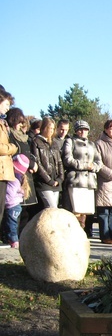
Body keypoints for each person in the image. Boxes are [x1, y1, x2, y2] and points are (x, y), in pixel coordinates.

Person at [63, 120, 102, 231]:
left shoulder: (92, 144)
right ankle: (74, 231)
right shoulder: (70, 142)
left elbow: (99, 162)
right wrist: (84, 165)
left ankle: (82, 231)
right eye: (80, 129)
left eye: (85, 129)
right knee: (76, 209)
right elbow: (67, 159)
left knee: (85, 211)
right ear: (76, 131)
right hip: (76, 180)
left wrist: (93, 167)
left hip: (89, 182)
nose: (83, 132)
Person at [5, 107, 39, 230]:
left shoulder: (24, 137)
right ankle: (11, 236)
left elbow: (29, 153)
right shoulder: (10, 136)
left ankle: (22, 235)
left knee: (26, 210)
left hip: (27, 176)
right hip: (16, 176)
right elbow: (15, 155)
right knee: (15, 208)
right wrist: (29, 164)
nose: (21, 125)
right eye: (18, 122)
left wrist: (33, 163)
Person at [30, 117, 64, 209]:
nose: (52, 131)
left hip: (56, 181)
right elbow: (38, 163)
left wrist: (60, 178)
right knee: (52, 207)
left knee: (53, 210)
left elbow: (59, 162)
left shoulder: (54, 143)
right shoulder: (36, 141)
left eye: (53, 128)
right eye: (50, 128)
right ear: (44, 128)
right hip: (44, 183)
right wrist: (49, 180)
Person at [0, 90, 19, 226]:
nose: (8, 107)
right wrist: (12, 148)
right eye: (6, 104)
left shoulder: (3, 123)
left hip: (4, 171)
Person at [2, 155, 30, 248]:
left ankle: (14, 242)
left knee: (11, 224)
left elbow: (9, 194)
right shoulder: (19, 177)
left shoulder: (14, 179)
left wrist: (3, 201)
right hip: (16, 205)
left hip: (11, 205)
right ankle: (11, 240)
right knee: (12, 224)